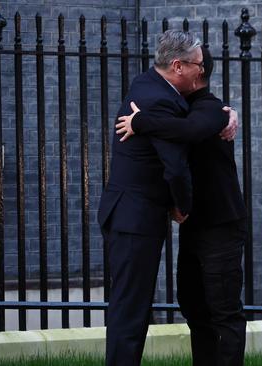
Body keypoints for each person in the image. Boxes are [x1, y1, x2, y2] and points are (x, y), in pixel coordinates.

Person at [97, 30, 236, 366]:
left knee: (130, 307)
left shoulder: (148, 85)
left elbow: (195, 120)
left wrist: (226, 113)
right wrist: (182, 206)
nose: (202, 71)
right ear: (178, 66)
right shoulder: (161, 99)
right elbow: (174, 168)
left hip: (128, 215)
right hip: (136, 218)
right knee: (131, 312)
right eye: (198, 66)